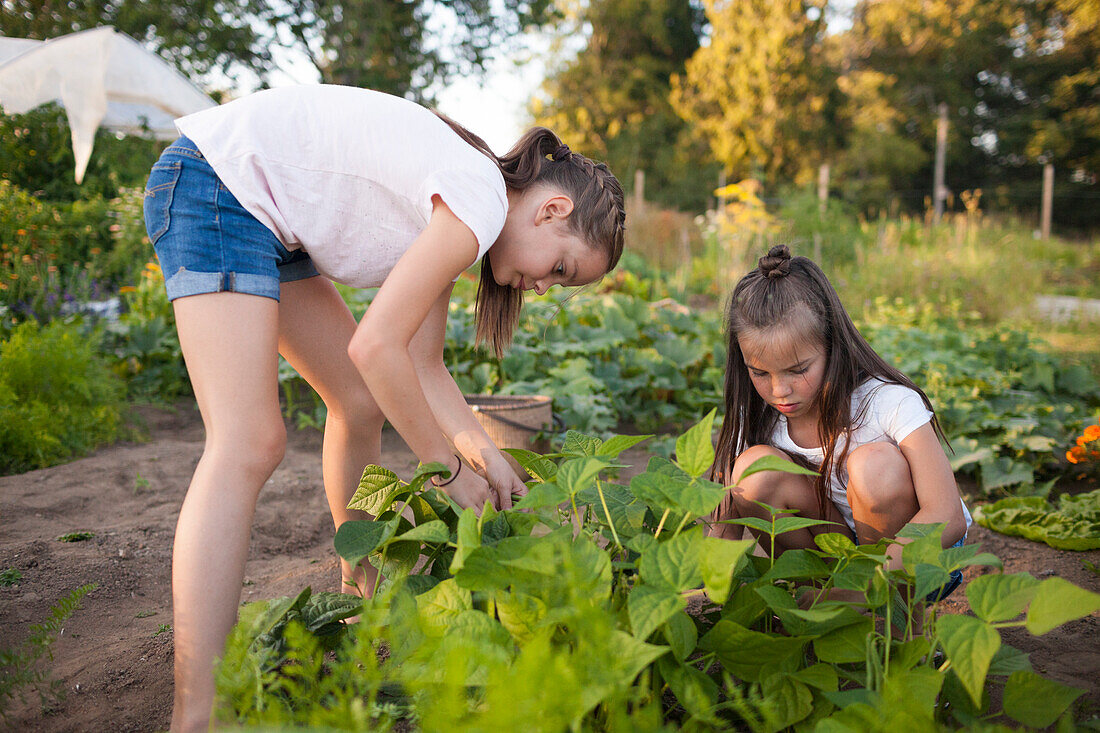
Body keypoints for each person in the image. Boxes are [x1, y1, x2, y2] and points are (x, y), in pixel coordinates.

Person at [141, 84, 625, 732]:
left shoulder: (463, 204)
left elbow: (422, 364)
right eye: (560, 269)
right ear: (552, 209)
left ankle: (358, 588)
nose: (543, 286)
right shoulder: (478, 198)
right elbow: (375, 346)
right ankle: (197, 713)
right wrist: (446, 470)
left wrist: (482, 451)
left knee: (358, 403)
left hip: (259, 212)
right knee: (248, 441)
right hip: (216, 186)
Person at [708, 245, 970, 596]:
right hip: (839, 556)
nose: (779, 390)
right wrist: (699, 595)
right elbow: (725, 528)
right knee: (754, 473)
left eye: (798, 370)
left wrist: (860, 587)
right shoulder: (756, 413)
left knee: (873, 466)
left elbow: (946, 515)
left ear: (832, 346)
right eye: (759, 373)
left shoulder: (887, 403)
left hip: (920, 562)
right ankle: (827, 609)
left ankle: (908, 629)